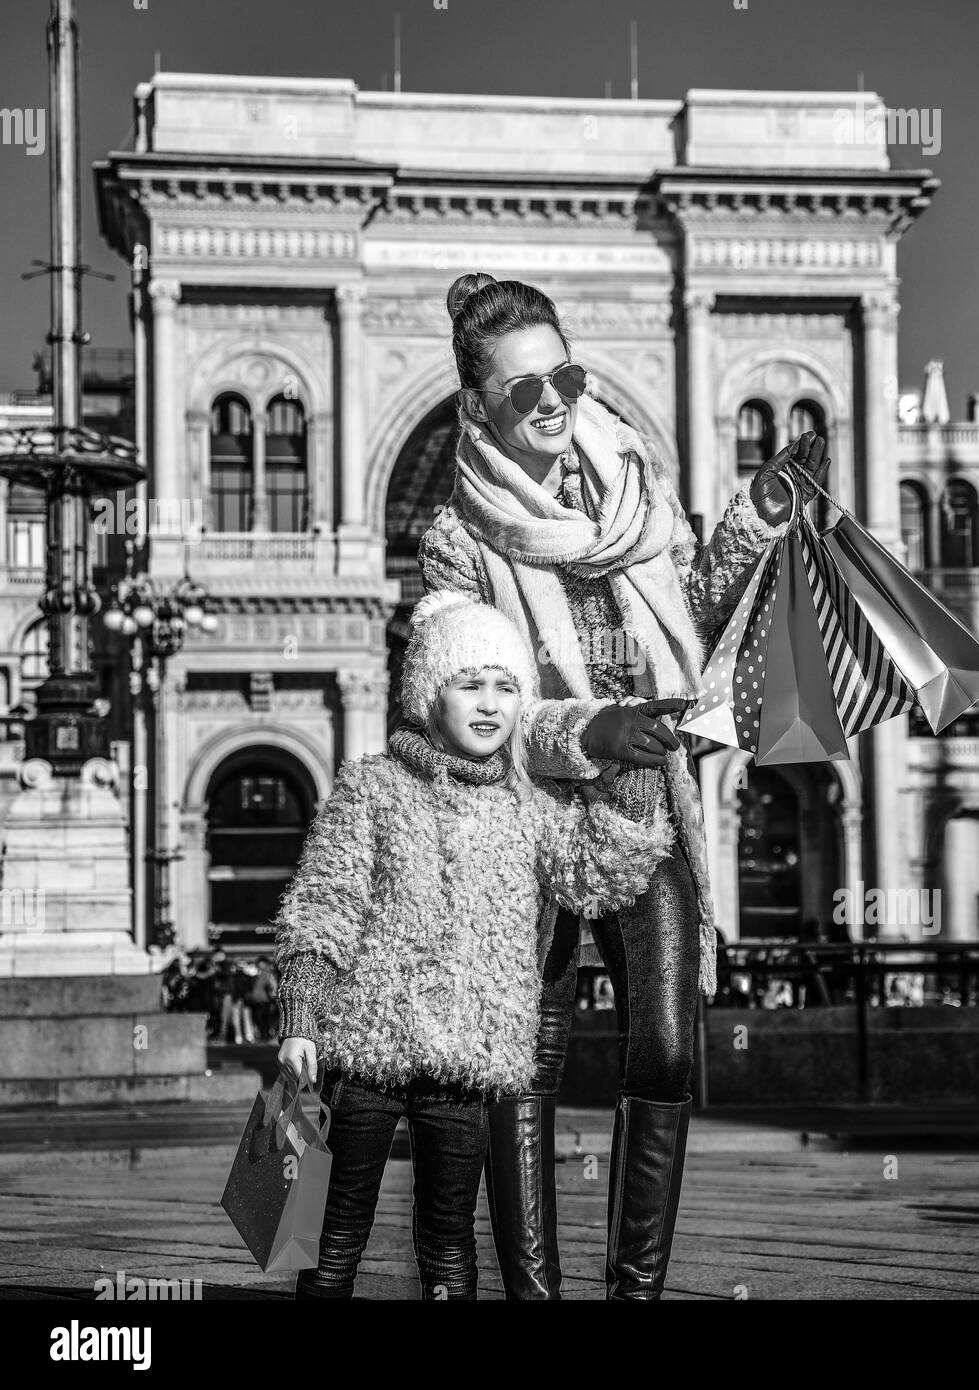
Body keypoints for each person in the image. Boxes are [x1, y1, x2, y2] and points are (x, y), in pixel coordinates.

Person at [419, 272, 824, 1298]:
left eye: (567, 374)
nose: (554, 401)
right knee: (526, 1060)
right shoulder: (460, 542)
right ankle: (537, 1295)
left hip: (647, 809)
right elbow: (468, 707)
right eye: (524, 390)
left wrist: (757, 518)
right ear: (478, 405)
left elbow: (682, 618)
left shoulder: (632, 491)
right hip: (530, 827)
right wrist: (593, 724)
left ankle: (634, 1293)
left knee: (669, 1044)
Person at [273, 590, 673, 1300]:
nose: (489, 703)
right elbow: (325, 903)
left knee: (449, 1245)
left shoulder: (530, 806)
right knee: (334, 1236)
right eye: (469, 683)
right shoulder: (372, 788)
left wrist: (631, 774)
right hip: (367, 1052)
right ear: (430, 695)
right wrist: (303, 1014)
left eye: (506, 686)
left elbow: (597, 871)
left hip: (471, 1057)